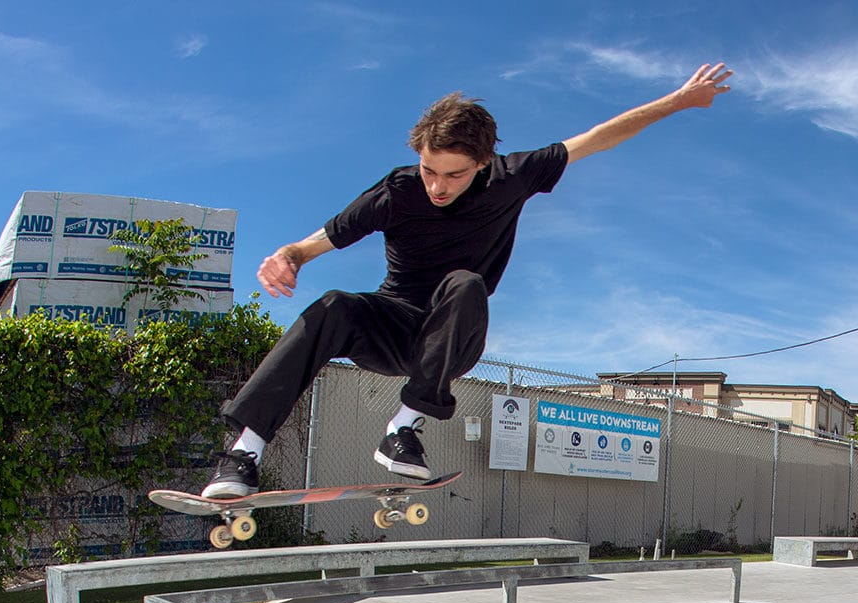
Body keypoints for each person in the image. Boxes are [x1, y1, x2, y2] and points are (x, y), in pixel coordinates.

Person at [201, 63, 736, 498]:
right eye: (430, 170)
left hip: (454, 336)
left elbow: (599, 138)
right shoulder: (399, 190)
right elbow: (323, 239)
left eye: (453, 174)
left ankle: (403, 428)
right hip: (394, 329)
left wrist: (679, 101)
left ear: (483, 163)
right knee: (334, 305)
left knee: (463, 283)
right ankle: (245, 450)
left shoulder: (514, 177)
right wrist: (290, 255)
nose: (437, 185)